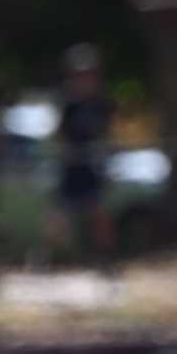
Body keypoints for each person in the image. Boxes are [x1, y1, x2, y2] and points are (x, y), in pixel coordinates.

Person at [52, 42, 116, 262]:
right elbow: (59, 134)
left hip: (93, 167)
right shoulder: (68, 104)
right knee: (59, 216)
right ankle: (60, 259)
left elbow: (108, 134)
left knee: (99, 215)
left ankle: (104, 258)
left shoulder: (102, 103)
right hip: (71, 167)